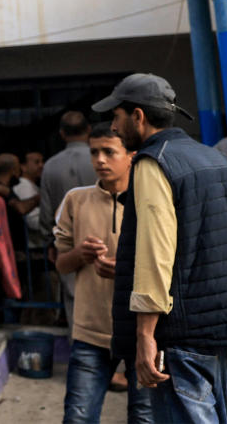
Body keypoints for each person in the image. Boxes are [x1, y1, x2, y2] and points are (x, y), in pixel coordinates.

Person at [99, 73, 227, 423]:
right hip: (225, 327)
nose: (113, 127)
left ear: (137, 116)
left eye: (116, 116)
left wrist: (145, 335)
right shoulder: (210, 157)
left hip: (182, 336)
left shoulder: (153, 162)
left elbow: (155, 253)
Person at [54, 123, 151, 423]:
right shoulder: (75, 200)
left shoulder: (150, 202)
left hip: (143, 331)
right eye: (94, 152)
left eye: (109, 152)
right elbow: (61, 264)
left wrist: (126, 271)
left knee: (144, 418)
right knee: (77, 417)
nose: (99, 160)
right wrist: (79, 254)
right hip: (90, 332)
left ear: (131, 157)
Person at [41, 111, 97, 328]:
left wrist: (49, 241)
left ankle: (81, 352)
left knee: (75, 300)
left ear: (62, 134)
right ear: (88, 130)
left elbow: (46, 213)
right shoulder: (103, 159)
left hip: (67, 242)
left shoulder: (51, 166)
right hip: (106, 238)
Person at [15, 150, 45, 249]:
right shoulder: (24, 186)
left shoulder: (32, 185)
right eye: (37, 162)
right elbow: (33, 221)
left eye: (42, 161)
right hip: (36, 247)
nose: (41, 165)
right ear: (23, 167)